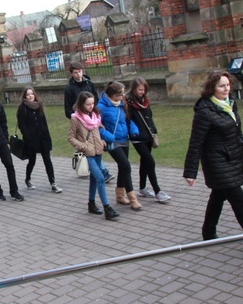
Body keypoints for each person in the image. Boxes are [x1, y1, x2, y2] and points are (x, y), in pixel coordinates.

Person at [183, 71, 243, 261]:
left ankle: (208, 232)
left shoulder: (229, 103)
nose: (226, 89)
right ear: (211, 88)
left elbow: (234, 130)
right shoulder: (205, 112)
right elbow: (195, 143)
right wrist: (190, 171)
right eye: (221, 86)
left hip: (232, 158)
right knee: (239, 202)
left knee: (218, 195)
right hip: (216, 162)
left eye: (227, 85)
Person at [68, 92, 119, 220]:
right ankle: (107, 208)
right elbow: (70, 137)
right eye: (88, 104)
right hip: (87, 154)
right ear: (81, 104)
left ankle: (91, 204)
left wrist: (102, 141)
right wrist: (82, 146)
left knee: (94, 179)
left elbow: (98, 130)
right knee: (101, 179)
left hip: (98, 151)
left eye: (93, 103)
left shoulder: (95, 114)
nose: (91, 106)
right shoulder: (76, 118)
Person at [98, 81, 142, 210]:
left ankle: (120, 196)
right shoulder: (101, 107)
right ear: (112, 95)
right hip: (113, 141)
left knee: (123, 168)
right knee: (126, 167)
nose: (123, 96)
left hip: (124, 139)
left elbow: (127, 120)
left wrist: (133, 130)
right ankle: (133, 198)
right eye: (120, 94)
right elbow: (96, 126)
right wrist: (107, 136)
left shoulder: (122, 104)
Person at [126, 77, 171, 203]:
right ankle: (158, 191)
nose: (142, 92)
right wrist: (133, 132)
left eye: (144, 89)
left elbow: (149, 117)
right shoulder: (128, 102)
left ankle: (142, 188)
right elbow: (127, 119)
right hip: (137, 137)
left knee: (145, 162)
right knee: (150, 162)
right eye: (140, 89)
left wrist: (153, 131)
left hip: (148, 135)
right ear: (134, 89)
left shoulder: (145, 100)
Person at [16, 87, 62, 193]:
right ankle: (27, 179)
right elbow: (22, 126)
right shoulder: (22, 108)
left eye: (32, 94)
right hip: (31, 140)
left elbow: (44, 123)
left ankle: (53, 183)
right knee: (32, 161)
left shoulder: (39, 105)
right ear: (24, 97)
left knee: (47, 161)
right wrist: (28, 137)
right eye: (28, 94)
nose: (30, 96)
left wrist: (47, 137)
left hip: (43, 138)